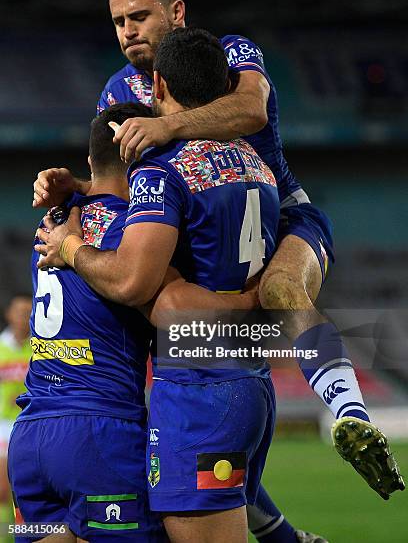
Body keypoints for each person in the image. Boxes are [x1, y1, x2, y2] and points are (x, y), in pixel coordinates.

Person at [35, 27, 299, 543]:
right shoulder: (257, 168)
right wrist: (262, 307)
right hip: (242, 382)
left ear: (156, 86)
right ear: (227, 87)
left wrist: (70, 246)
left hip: (189, 394)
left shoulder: (154, 177)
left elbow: (138, 284)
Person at [10, 101, 264, 543]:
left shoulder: (53, 219)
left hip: (30, 440)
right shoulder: (130, 233)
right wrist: (255, 298)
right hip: (99, 433)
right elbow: (171, 306)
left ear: (90, 161)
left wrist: (76, 184)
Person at [0, 294, 32, 534]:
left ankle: (20, 534)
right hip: (3, 426)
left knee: (24, 489)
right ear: (8, 314)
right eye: (20, 312)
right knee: (3, 489)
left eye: (28, 313)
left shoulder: (39, 350)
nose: (24, 317)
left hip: (29, 428)